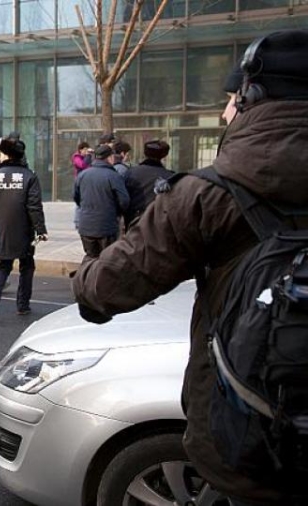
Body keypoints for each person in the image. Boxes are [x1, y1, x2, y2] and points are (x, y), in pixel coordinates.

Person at [72, 30, 308, 505]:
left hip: (255, 444)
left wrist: (86, 271)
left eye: (231, 99)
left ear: (251, 99)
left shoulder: (210, 194)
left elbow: (105, 289)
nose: (225, 112)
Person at [0, 137, 47, 317]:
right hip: (24, 230)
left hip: (1, 228)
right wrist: (41, 229)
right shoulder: (29, 176)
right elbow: (34, 206)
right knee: (26, 265)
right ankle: (22, 305)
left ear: (5, 154)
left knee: (3, 266)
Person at [73, 144, 129, 261]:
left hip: (86, 226)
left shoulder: (83, 175)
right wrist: (117, 213)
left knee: (90, 258)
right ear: (110, 158)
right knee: (107, 261)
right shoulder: (113, 176)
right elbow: (124, 201)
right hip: (106, 226)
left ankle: (86, 278)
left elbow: (76, 198)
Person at [123, 139, 173, 231]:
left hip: (135, 224)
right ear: (164, 155)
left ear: (145, 153)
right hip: (160, 225)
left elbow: (124, 199)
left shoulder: (131, 173)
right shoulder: (171, 177)